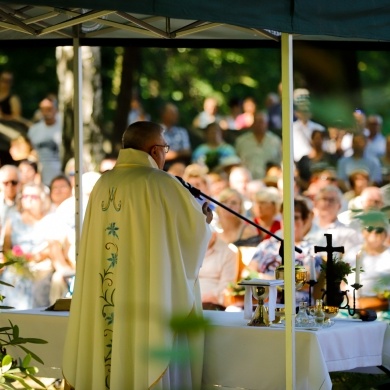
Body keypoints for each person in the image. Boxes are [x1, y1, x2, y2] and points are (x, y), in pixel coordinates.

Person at [62, 121, 212, 390]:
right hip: (147, 295)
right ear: (155, 151)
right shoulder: (162, 183)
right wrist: (205, 218)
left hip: (105, 294)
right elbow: (192, 234)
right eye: (165, 148)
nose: (166, 154)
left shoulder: (102, 183)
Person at [235, 111, 282, 180]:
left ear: (266, 124)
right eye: (256, 122)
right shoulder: (241, 141)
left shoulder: (276, 141)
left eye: (261, 122)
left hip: (270, 182)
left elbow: (280, 162)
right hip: (247, 182)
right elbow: (236, 162)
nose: (259, 124)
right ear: (253, 123)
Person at [28, 97, 62, 186]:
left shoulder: (64, 128)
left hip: (60, 176)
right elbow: (30, 152)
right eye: (43, 109)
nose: (47, 112)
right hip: (40, 178)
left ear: (56, 109)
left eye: (49, 109)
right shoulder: (34, 130)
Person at [159, 102, 192, 170]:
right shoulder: (157, 132)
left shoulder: (182, 132)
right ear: (163, 114)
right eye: (172, 113)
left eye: (176, 113)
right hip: (162, 167)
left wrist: (171, 154)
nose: (176, 115)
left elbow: (187, 152)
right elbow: (160, 155)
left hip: (181, 165)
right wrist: (179, 153)